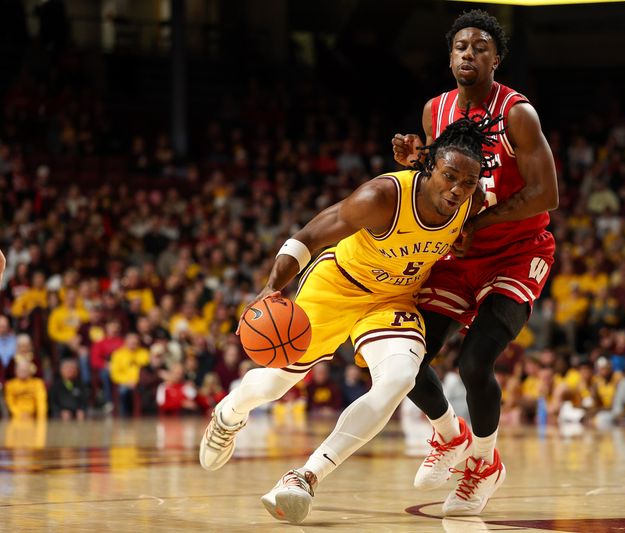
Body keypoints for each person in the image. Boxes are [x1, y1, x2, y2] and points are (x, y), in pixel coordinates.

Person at [199, 115, 496, 524]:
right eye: (449, 177)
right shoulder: (381, 197)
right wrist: (271, 288)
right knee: (273, 382)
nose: (458, 189)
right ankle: (229, 413)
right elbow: (306, 237)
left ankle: (305, 477)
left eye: (467, 182)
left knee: (399, 379)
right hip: (337, 285)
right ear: (428, 168)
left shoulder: (471, 200)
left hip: (392, 299)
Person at [391, 9, 558, 516]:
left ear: (496, 58)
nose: (469, 53)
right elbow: (447, 179)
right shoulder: (434, 110)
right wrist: (417, 163)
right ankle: (448, 435)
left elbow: (546, 193)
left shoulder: (517, 114)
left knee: (473, 362)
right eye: (461, 46)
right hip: (460, 254)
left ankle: (484, 462)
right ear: (449, 57)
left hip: (516, 251)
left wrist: (475, 227)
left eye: (480, 47)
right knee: (406, 361)